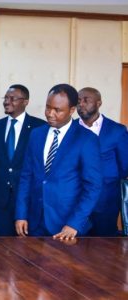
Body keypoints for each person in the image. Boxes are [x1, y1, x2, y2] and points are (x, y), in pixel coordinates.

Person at [15, 84, 102, 240]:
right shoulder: (36, 134)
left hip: (67, 225)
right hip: (34, 223)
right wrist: (21, 214)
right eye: (48, 108)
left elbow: (93, 187)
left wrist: (74, 224)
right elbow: (26, 176)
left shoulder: (86, 139)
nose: (50, 114)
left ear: (72, 110)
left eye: (57, 110)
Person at [0, 84, 45, 236]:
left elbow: (41, 167)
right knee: (2, 251)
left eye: (13, 98)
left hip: (28, 201)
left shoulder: (39, 127)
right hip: (2, 202)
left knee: (28, 251)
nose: (6, 101)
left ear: (25, 102)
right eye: (5, 98)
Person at [77, 87, 128, 236]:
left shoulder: (117, 130)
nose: (81, 104)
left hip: (106, 201)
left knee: (104, 248)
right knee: (74, 247)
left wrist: (108, 178)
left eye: (86, 100)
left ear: (99, 103)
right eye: (79, 101)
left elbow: (125, 166)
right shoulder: (71, 129)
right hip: (75, 200)